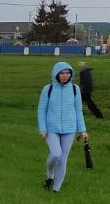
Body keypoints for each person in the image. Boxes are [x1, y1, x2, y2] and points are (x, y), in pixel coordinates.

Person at [38, 61, 89, 193]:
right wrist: (42, 128)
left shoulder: (74, 89)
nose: (65, 75)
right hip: (51, 129)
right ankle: (50, 175)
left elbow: (78, 110)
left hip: (69, 129)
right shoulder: (47, 89)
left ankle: (56, 189)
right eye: (62, 73)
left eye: (67, 73)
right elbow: (42, 110)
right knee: (55, 154)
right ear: (56, 74)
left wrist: (82, 130)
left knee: (63, 159)